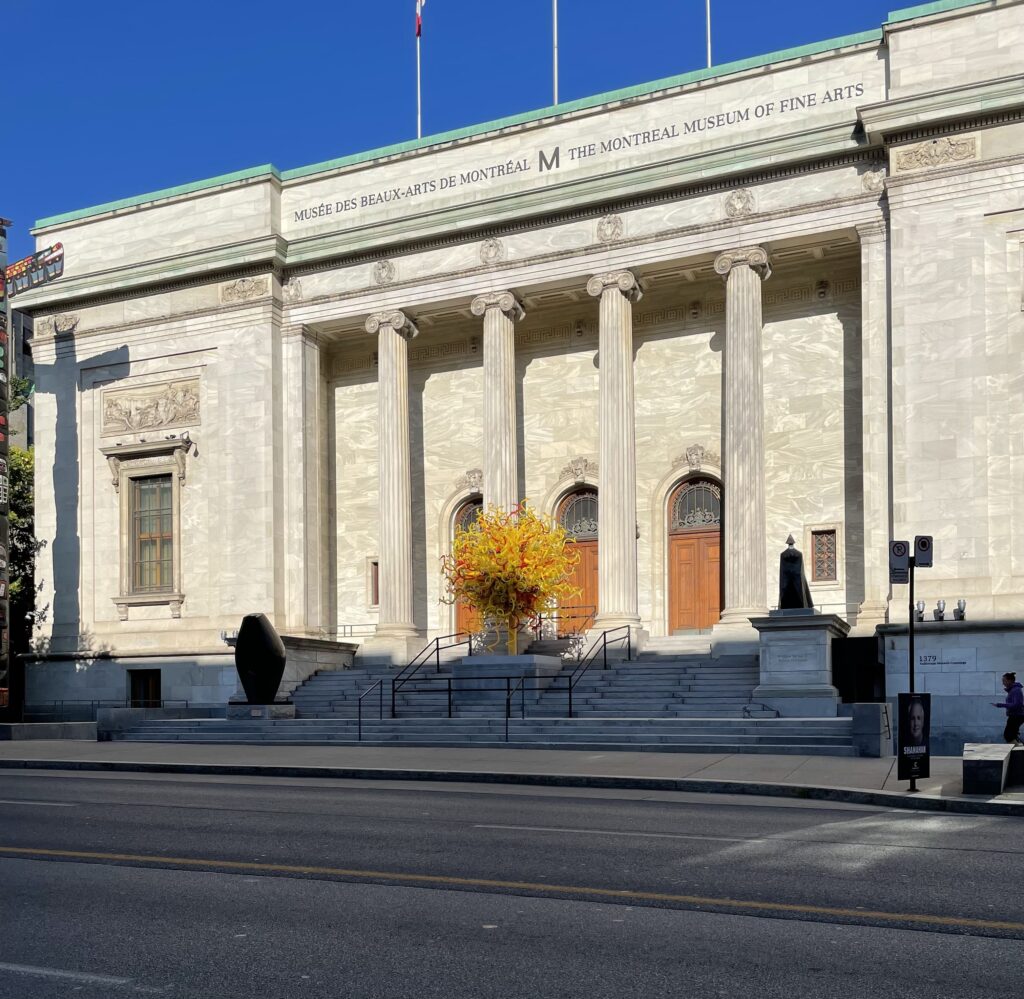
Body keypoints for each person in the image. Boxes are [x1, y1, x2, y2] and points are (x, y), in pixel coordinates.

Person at [992, 672, 1024, 744]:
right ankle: (1018, 750)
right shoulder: (1013, 690)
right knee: (1012, 735)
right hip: (1015, 715)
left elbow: (1017, 704)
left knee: (1008, 736)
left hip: (1017, 716)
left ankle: (1018, 751)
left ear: (1010, 681)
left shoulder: (1016, 690)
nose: (1003, 683)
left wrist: (1000, 705)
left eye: (1004, 680)